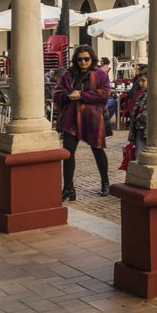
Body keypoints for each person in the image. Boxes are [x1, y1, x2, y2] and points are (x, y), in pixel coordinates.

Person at [53, 44, 112, 200]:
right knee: (68, 154)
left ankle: (105, 183)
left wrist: (82, 95)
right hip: (71, 118)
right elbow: (58, 92)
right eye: (79, 59)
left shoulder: (100, 74)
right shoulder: (69, 74)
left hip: (92, 118)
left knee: (97, 150)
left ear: (92, 58)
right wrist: (67, 96)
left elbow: (104, 93)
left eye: (86, 59)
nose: (83, 62)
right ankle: (68, 189)